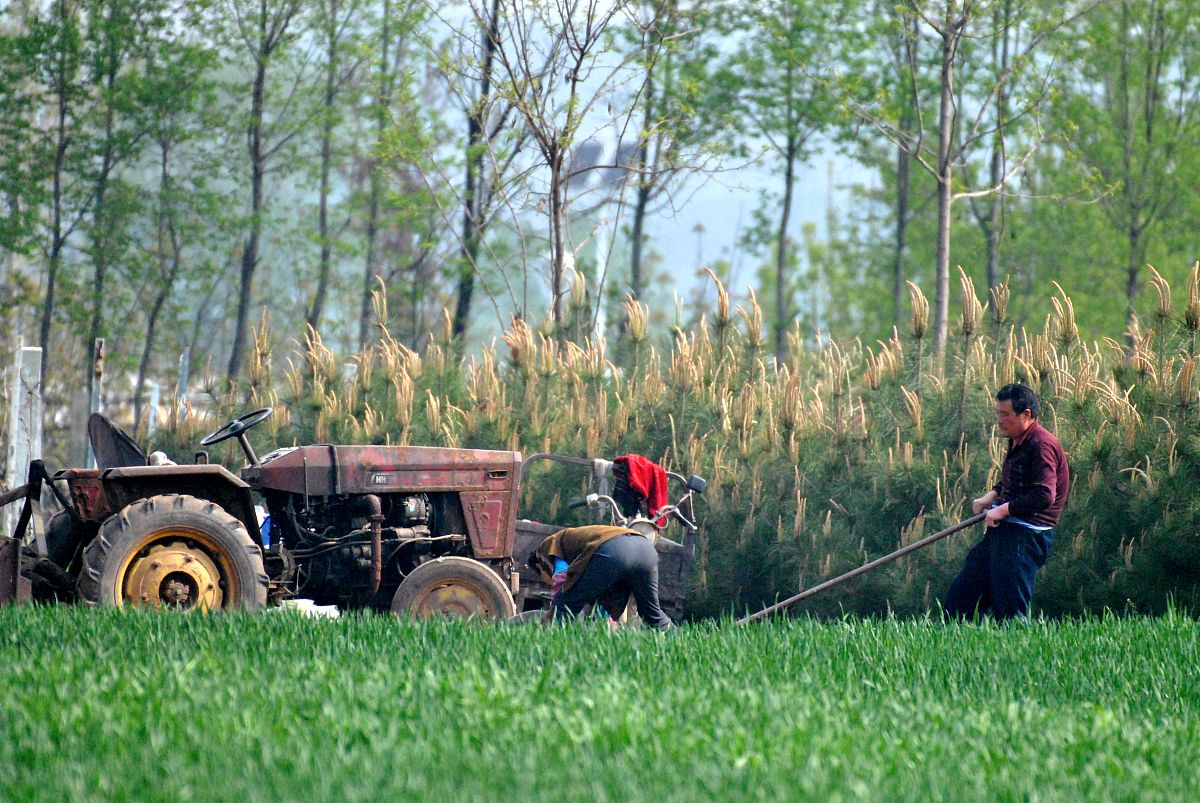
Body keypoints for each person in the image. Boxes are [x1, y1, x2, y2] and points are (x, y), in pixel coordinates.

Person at [945, 383, 1070, 621]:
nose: (1000, 421)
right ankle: (960, 641)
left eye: (1005, 415)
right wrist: (992, 495)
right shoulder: (1018, 438)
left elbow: (1044, 494)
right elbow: (1018, 480)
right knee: (961, 599)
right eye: (998, 414)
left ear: (1026, 415)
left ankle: (1016, 645)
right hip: (1007, 529)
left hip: (1027, 535)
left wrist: (1002, 510)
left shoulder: (1041, 444)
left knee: (1011, 612)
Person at [529, 524, 673, 630]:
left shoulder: (546, 549)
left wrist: (556, 606)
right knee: (652, 613)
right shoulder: (578, 540)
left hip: (614, 551)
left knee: (566, 606)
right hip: (646, 550)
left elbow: (562, 578)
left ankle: (544, 641)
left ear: (539, 567)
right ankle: (677, 639)